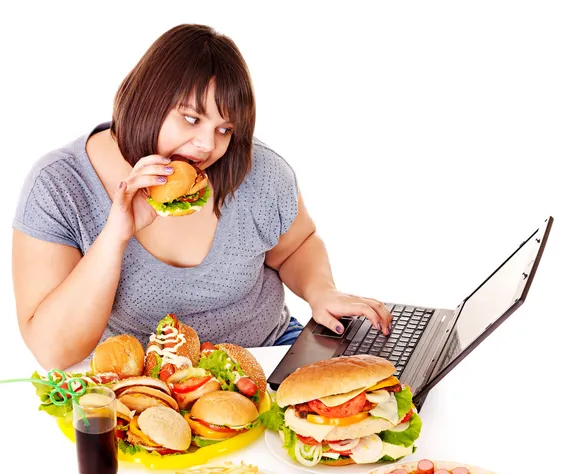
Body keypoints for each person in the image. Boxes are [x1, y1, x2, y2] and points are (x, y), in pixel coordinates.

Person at [12, 24, 392, 371]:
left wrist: (321, 291)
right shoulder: (59, 185)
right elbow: (53, 351)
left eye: (225, 129)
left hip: (267, 356)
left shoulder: (259, 170)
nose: (208, 146)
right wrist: (115, 235)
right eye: (191, 119)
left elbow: (296, 246)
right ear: (145, 100)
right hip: (144, 385)